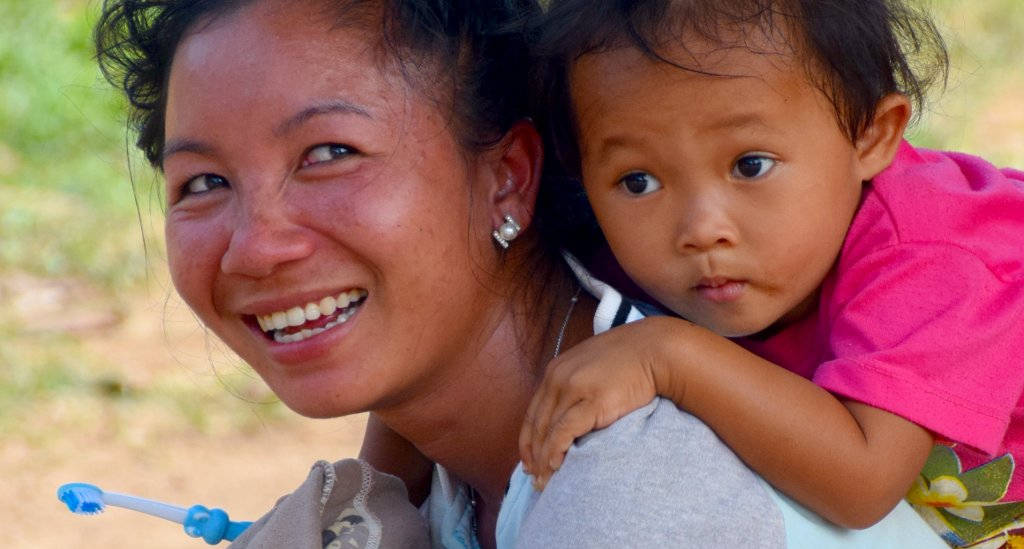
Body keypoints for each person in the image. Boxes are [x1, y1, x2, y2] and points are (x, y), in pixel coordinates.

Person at [94, 0, 949, 547]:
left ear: (508, 175)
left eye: (328, 154)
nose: (255, 248)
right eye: (202, 183)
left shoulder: (636, 497)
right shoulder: (453, 460)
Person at [519, 1, 1024, 547]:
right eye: (638, 181)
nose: (702, 228)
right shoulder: (617, 253)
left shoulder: (939, 256)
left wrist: (667, 355)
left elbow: (862, 483)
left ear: (871, 137)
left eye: (750, 165)